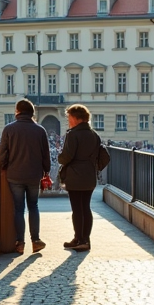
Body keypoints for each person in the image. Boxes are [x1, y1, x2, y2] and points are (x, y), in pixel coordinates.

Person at [0, 99, 51, 254]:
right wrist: (46, 171)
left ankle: (20, 243)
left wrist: (2, 167)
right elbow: (45, 154)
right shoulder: (40, 130)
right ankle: (36, 240)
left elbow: (2, 152)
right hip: (34, 174)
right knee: (33, 206)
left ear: (17, 111)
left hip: (15, 174)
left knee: (18, 209)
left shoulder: (9, 129)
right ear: (32, 112)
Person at [58, 103, 105, 252]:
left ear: (76, 118)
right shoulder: (94, 135)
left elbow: (66, 157)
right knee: (86, 207)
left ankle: (80, 239)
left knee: (77, 209)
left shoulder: (73, 135)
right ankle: (83, 239)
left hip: (75, 176)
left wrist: (60, 158)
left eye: (69, 117)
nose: (68, 120)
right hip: (90, 175)